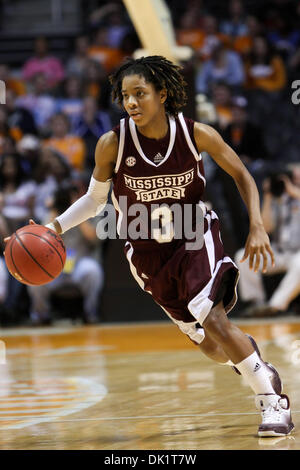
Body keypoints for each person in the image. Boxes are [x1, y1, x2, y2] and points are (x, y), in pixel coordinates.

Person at [5, 56, 294, 437]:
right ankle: (252, 358)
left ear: (162, 94)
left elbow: (241, 173)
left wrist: (257, 225)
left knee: (212, 316)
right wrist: (52, 227)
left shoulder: (196, 134)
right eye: (125, 95)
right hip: (146, 253)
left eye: (140, 93)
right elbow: (95, 200)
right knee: (211, 346)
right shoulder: (112, 143)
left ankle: (272, 400)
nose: (131, 102)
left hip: (194, 235)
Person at [235, 166, 300, 317]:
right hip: (279, 253)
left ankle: (274, 306)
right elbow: (266, 227)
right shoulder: (278, 200)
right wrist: (268, 195)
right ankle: (256, 304)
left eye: (297, 179)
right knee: (242, 256)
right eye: (292, 179)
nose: (293, 182)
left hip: (297, 254)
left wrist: (293, 192)